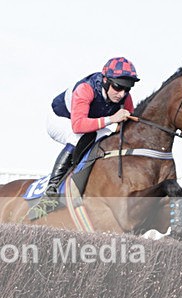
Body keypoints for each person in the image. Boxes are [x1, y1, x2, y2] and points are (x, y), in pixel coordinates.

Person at [39, 57, 140, 212]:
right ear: (105, 80)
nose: (122, 94)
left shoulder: (124, 96)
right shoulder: (86, 89)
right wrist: (112, 119)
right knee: (78, 137)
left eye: (127, 89)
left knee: (107, 140)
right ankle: (52, 189)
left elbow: (127, 124)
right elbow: (78, 125)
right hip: (62, 120)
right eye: (118, 87)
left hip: (88, 123)